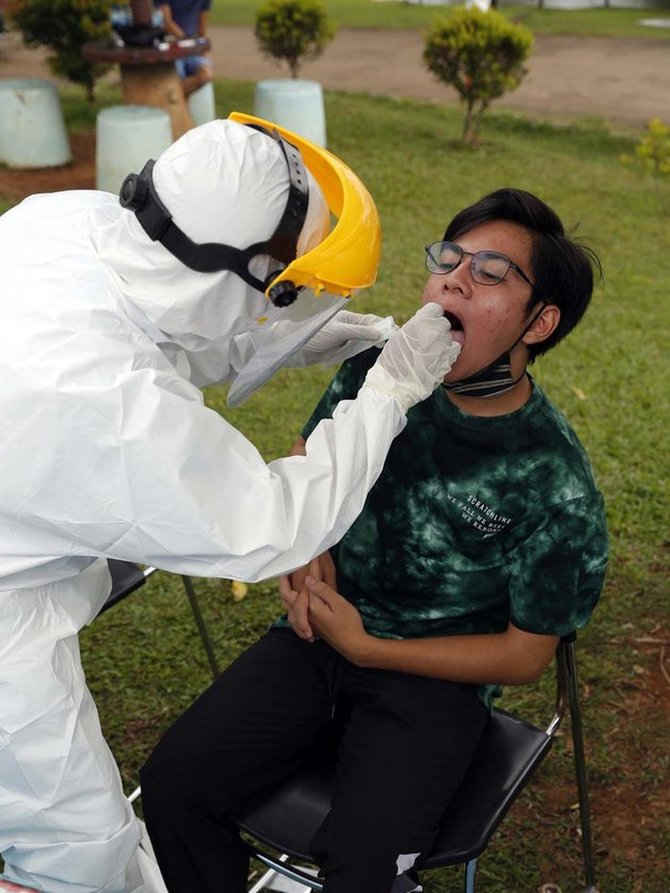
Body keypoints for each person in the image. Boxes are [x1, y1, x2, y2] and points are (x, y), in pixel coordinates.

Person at [0, 114, 460, 893]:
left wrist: (290, 335)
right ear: (246, 274)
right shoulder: (101, 407)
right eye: (292, 288)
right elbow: (272, 522)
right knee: (80, 858)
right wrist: (389, 391)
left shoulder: (71, 218)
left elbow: (175, 312)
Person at [140, 187, 609, 893]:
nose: (453, 277)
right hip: (314, 638)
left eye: (489, 272)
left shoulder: (553, 479)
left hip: (429, 684)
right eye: (450, 258)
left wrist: (370, 647)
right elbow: (311, 457)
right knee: (173, 785)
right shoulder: (378, 371)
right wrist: (307, 556)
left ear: (538, 323)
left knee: (360, 872)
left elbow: (525, 653)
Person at [158, 0, 212, 97]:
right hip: (171, 47)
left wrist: (201, 48)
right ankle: (174, 102)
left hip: (191, 49)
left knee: (205, 74)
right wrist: (185, 39)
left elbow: (201, 28)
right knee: (178, 76)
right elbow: (167, 23)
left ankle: (169, 98)